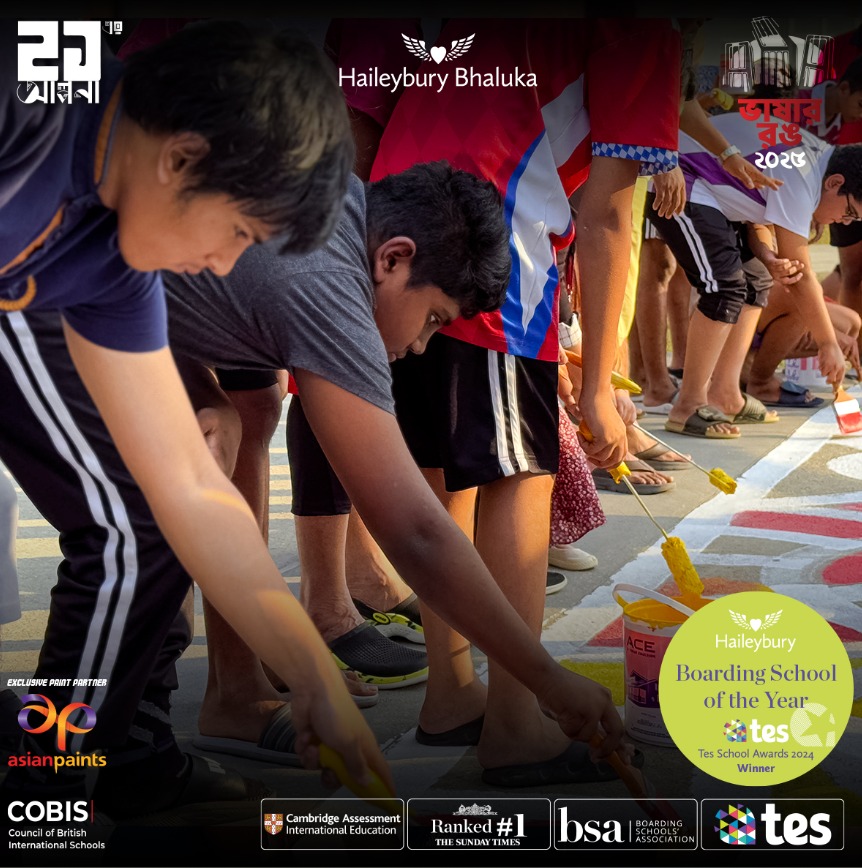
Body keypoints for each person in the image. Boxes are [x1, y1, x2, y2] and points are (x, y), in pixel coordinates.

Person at [0, 19, 392, 815]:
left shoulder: (114, 262)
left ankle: (51, 783)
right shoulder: (34, 100)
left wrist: (314, 679)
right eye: (239, 233)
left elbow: (187, 486)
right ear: (182, 158)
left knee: (143, 515)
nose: (222, 265)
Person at [162, 162, 631, 771]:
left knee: (196, 463)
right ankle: (84, 769)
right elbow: (414, 530)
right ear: (393, 259)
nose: (418, 347)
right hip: (46, 302)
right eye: (434, 318)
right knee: (135, 546)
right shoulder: (327, 288)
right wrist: (545, 678)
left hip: (103, 297)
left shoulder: (341, 210)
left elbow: (162, 283)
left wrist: (195, 384)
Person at [365, 18, 680, 784]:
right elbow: (611, 214)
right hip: (492, 237)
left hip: (393, 218)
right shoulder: (645, 29)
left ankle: (452, 695)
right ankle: (512, 721)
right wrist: (601, 387)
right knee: (518, 476)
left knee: (443, 472)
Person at [649, 116, 861, 438]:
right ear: (834, 183)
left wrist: (766, 256)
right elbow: (801, 276)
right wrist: (827, 343)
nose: (844, 222)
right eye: (850, 212)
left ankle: (725, 393)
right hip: (683, 184)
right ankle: (688, 405)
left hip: (718, 199)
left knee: (758, 279)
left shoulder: (815, 158)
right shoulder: (803, 173)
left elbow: (756, 215)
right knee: (725, 287)